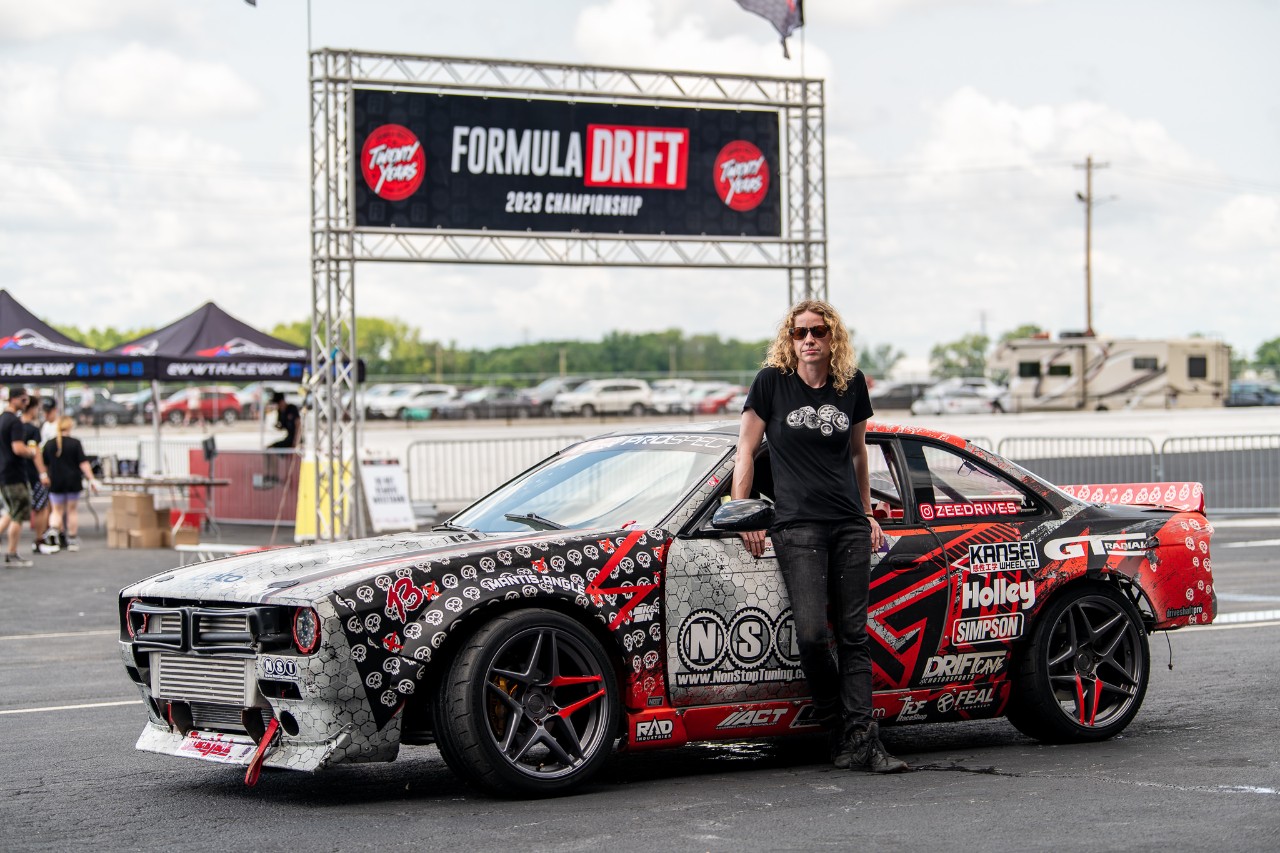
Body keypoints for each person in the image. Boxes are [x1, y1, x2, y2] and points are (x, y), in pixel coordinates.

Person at [733, 300, 908, 774]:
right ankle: (839, 725)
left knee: (853, 636)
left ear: (834, 338)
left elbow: (857, 455)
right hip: (797, 526)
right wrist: (745, 512)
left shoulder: (850, 385)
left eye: (818, 331)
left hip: (848, 524)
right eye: (799, 333)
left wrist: (866, 511)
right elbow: (746, 449)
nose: (808, 339)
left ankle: (862, 740)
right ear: (789, 340)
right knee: (812, 636)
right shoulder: (772, 382)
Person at [43, 416, 98, 552]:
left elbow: (44, 464)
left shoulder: (49, 444)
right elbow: (83, 463)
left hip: (55, 481)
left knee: (57, 510)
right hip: (73, 481)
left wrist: (44, 476)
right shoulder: (75, 443)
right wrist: (91, 479)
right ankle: (72, 539)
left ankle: (55, 532)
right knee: (72, 511)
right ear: (69, 427)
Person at [0, 387, 41, 566]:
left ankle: (12, 553)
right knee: (18, 514)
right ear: (14, 399)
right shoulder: (15, 422)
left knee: (11, 512)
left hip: (4, 473)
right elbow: (18, 448)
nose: (26, 404)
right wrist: (31, 453)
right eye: (24, 400)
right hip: (14, 473)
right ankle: (11, 553)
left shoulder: (2, 419)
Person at [22, 397, 57, 554]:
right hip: (32, 474)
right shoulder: (32, 429)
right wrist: (43, 473)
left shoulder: (11, 424)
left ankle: (39, 539)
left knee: (13, 511)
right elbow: (36, 453)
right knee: (41, 508)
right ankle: (39, 540)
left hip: (16, 473)